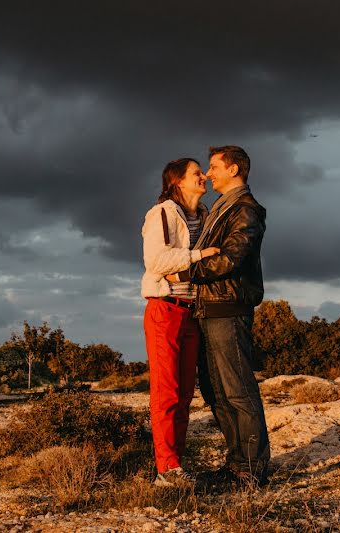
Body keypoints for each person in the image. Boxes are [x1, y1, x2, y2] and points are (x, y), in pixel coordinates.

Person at [168, 145, 270, 485]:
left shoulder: (245, 210)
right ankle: (237, 464)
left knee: (238, 389)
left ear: (234, 170)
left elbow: (232, 258)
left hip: (228, 309)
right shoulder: (221, 209)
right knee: (217, 392)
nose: (209, 174)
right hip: (209, 309)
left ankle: (253, 471)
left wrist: (185, 273)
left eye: (214, 167)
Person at [141, 158, 220, 487]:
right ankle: (166, 471)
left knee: (185, 393)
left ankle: (176, 467)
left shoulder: (204, 216)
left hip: (193, 310)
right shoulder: (161, 213)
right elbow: (156, 261)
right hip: (165, 307)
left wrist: (185, 266)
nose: (204, 177)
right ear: (177, 181)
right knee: (167, 392)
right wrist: (199, 257)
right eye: (196, 173)